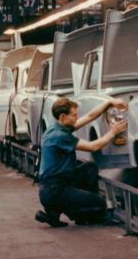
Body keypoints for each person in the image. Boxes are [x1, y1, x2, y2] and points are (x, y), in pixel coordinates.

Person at [35, 96, 127, 227]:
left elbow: (89, 116)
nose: (77, 118)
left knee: (89, 168)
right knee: (100, 202)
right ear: (63, 117)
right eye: (74, 115)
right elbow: (93, 146)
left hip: (55, 184)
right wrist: (113, 132)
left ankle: (66, 213)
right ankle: (81, 212)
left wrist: (109, 102)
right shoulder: (60, 136)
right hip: (55, 190)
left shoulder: (56, 127)